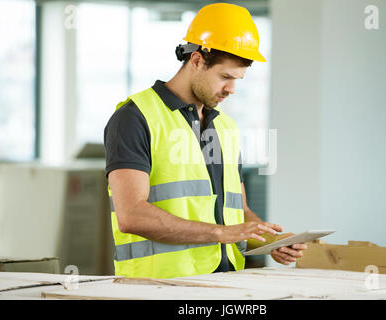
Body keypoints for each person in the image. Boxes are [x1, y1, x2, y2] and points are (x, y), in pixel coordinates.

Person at [104, 2, 307, 279]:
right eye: (225, 77)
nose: (232, 89)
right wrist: (221, 233)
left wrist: (271, 241)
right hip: (156, 286)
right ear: (197, 60)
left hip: (224, 283)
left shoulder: (226, 127)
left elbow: (239, 211)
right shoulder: (135, 118)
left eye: (238, 79)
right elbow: (131, 215)